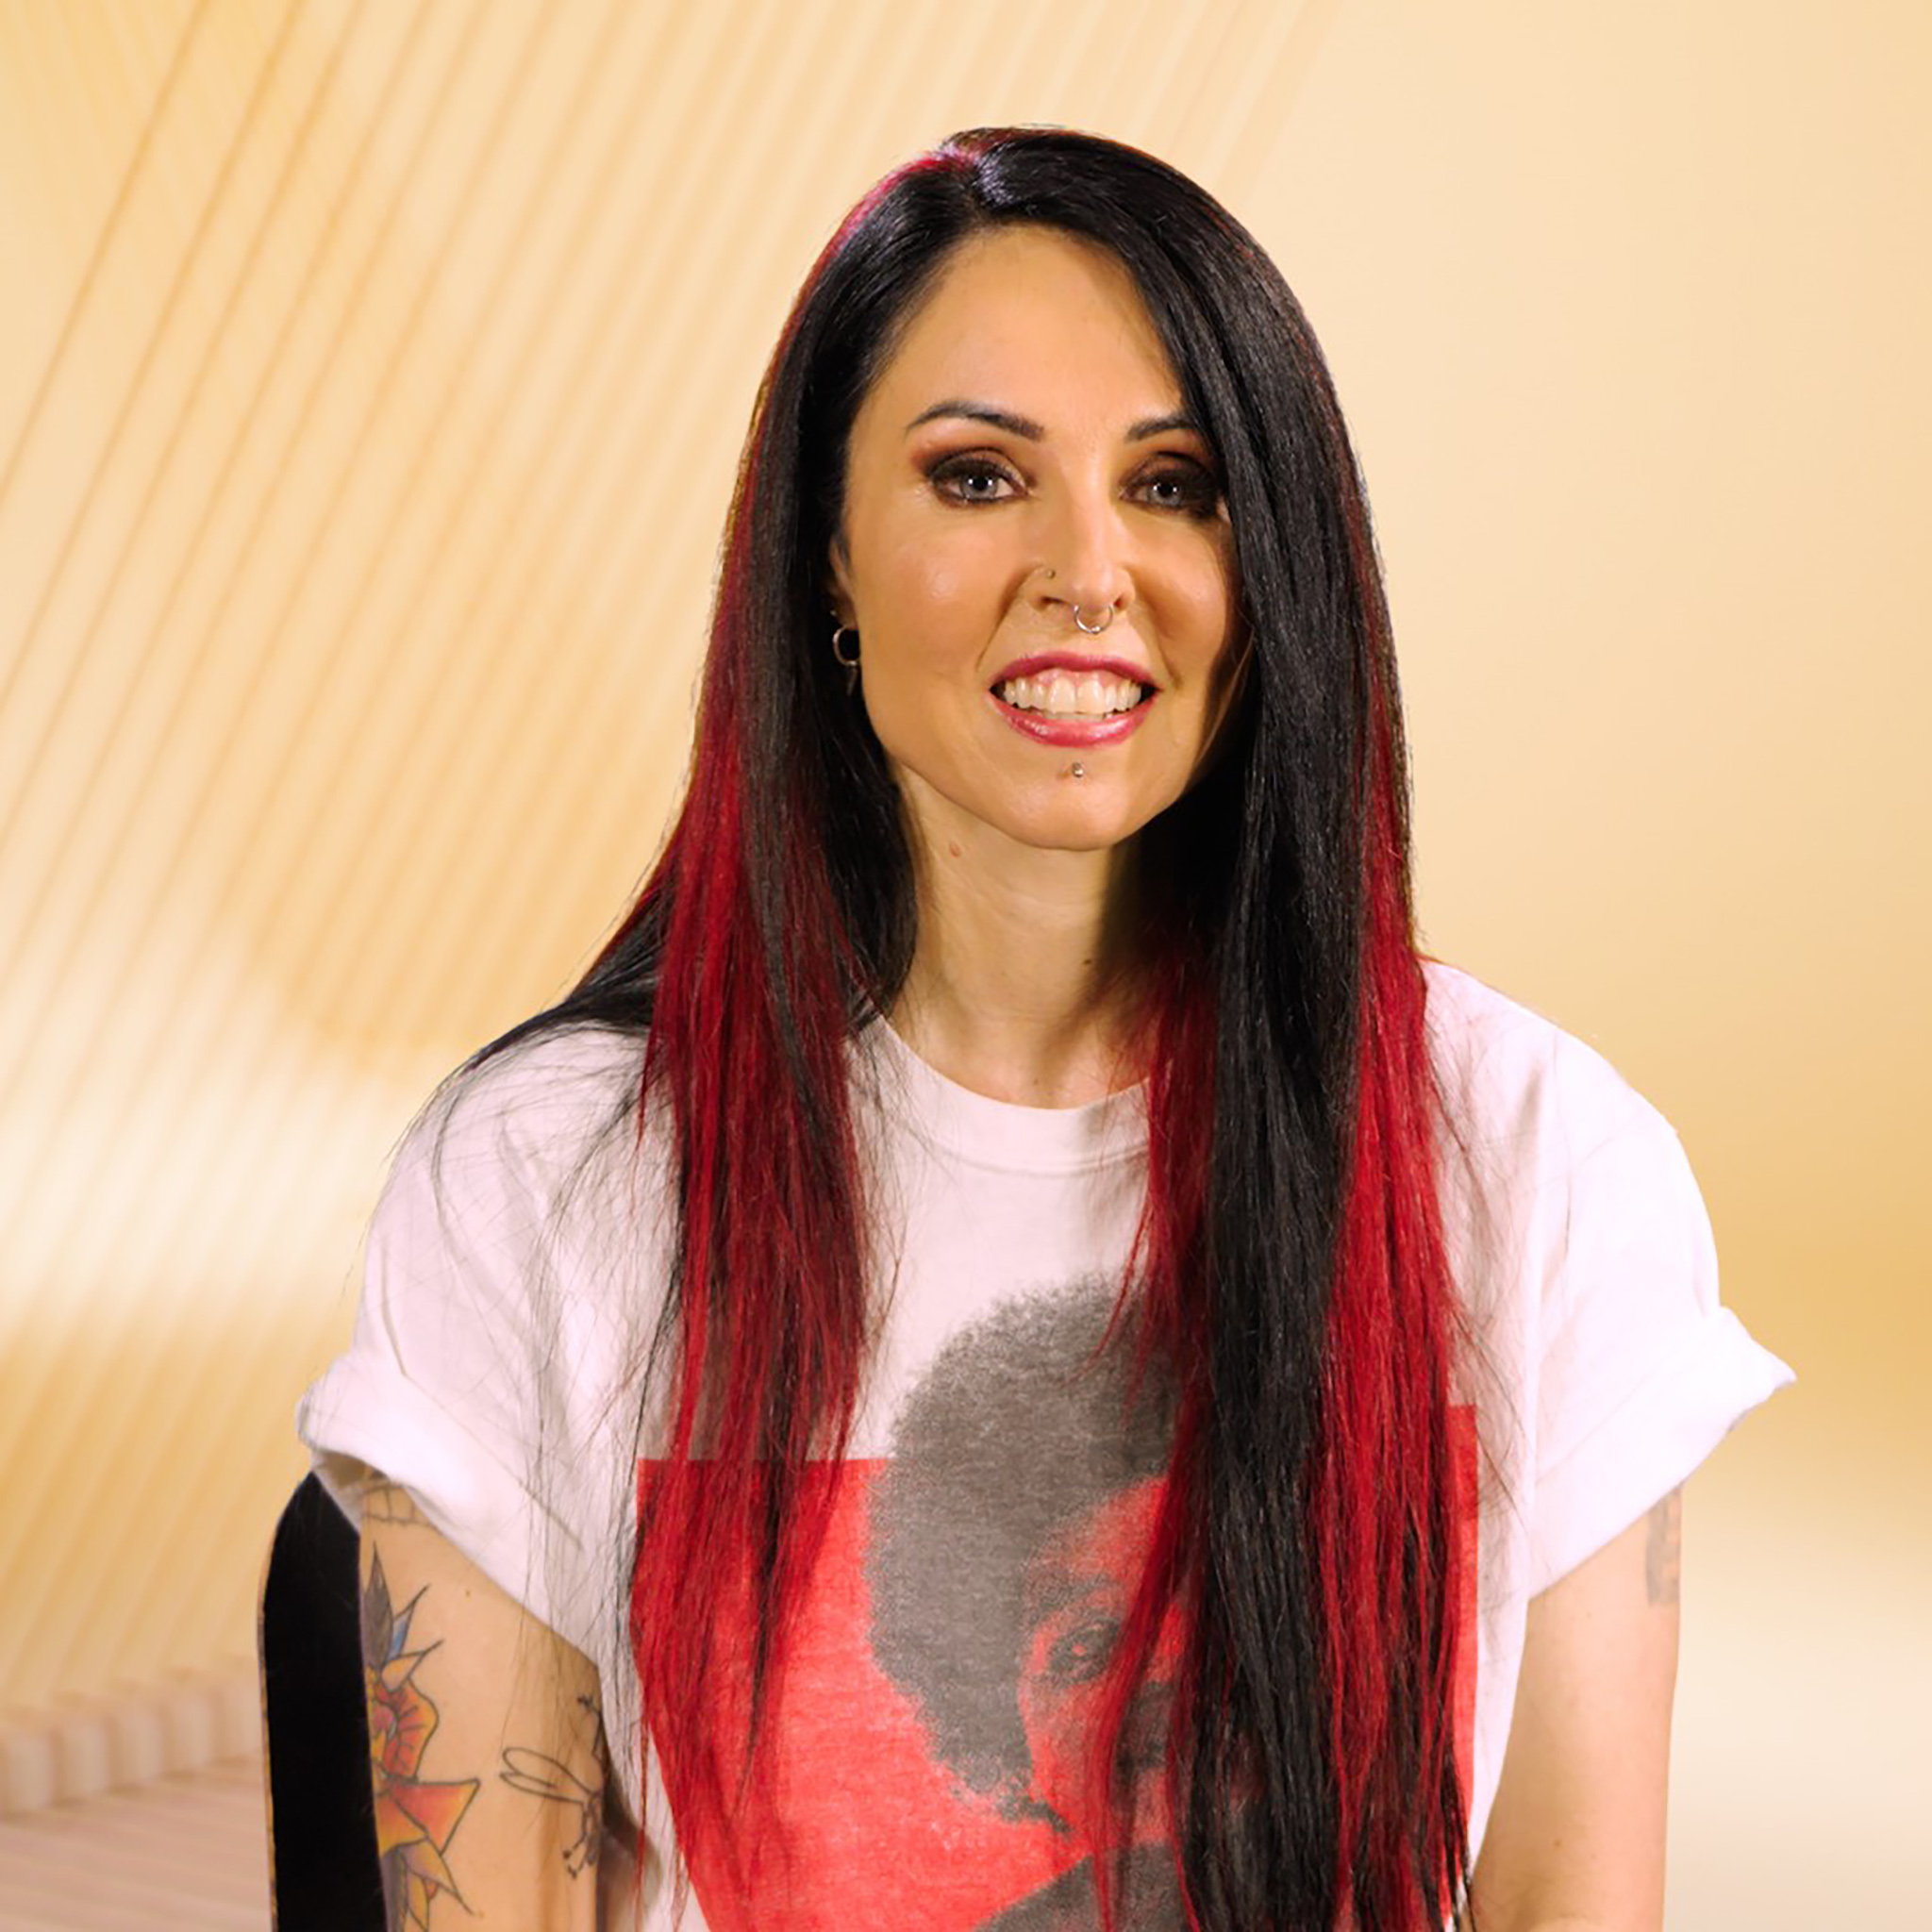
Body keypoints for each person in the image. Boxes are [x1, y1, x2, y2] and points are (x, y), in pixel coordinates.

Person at [295, 127, 1790, 1930]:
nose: (1091, 569)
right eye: (980, 477)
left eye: (1174, 484)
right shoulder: (541, 1183)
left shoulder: (1547, 1166)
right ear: (827, 559)